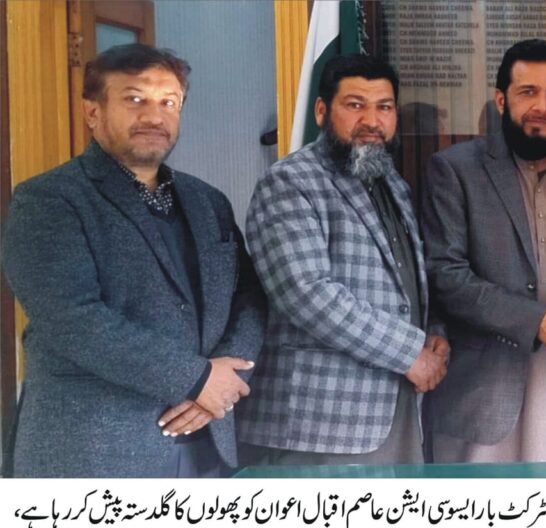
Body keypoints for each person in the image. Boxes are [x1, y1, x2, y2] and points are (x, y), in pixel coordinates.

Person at [1, 44, 266, 477]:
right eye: (135, 99)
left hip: (207, 446)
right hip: (95, 454)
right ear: (93, 112)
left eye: (169, 102)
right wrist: (196, 379)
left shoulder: (208, 201)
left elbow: (250, 297)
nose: (154, 117)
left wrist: (225, 379)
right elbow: (73, 320)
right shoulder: (48, 200)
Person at [419, 39, 546, 462]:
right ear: (501, 99)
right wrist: (534, 320)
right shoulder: (456, 170)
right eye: (528, 92)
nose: (541, 107)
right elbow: (445, 275)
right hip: (484, 395)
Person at [237, 54, 448, 465]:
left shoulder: (393, 185)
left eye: (384, 107)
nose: (371, 120)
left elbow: (407, 278)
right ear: (321, 111)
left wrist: (433, 332)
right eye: (355, 105)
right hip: (320, 425)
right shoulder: (290, 181)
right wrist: (409, 352)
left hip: (396, 410)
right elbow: (307, 293)